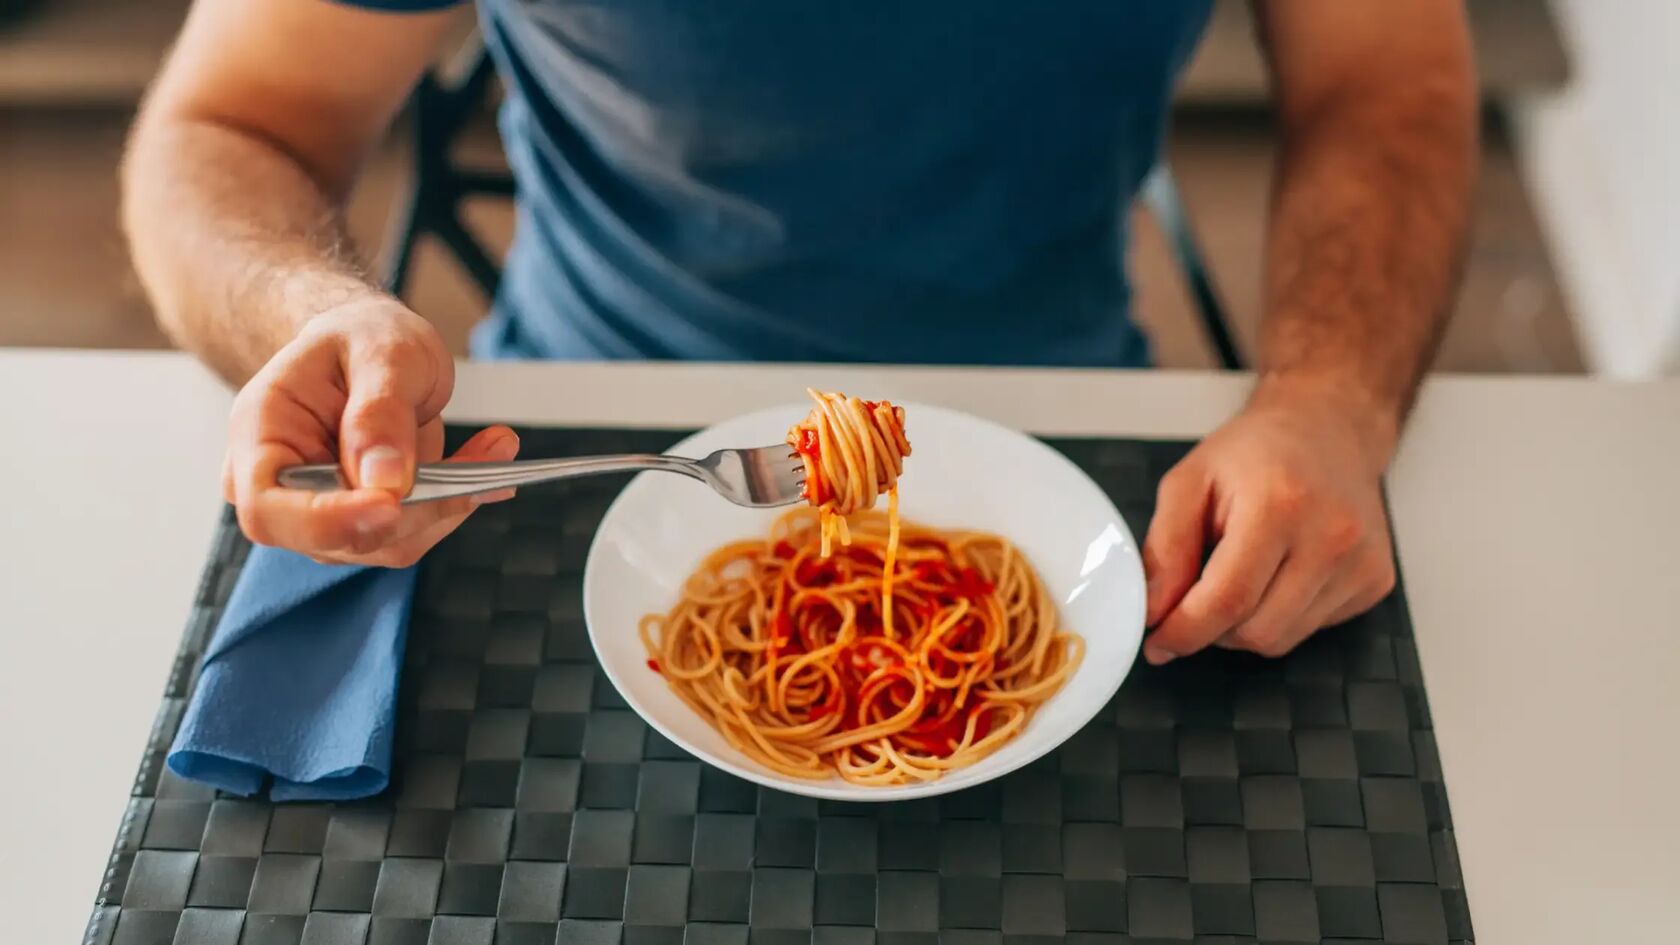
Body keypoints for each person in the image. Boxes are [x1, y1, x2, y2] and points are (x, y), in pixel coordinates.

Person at [122, 0, 1477, 665]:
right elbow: (229, 127)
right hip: (558, 456)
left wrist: (1333, 401)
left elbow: (1389, 83)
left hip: (1082, 446)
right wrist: (318, 308)